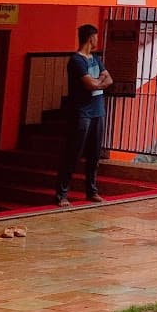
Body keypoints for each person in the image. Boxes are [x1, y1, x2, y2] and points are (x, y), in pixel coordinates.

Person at [56, 24, 112, 206]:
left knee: (94, 154)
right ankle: (62, 193)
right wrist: (99, 83)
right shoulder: (76, 60)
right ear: (90, 38)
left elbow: (108, 79)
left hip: (98, 111)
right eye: (96, 37)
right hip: (81, 112)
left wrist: (99, 83)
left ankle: (91, 190)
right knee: (74, 152)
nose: (97, 40)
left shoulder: (96, 58)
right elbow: (90, 85)